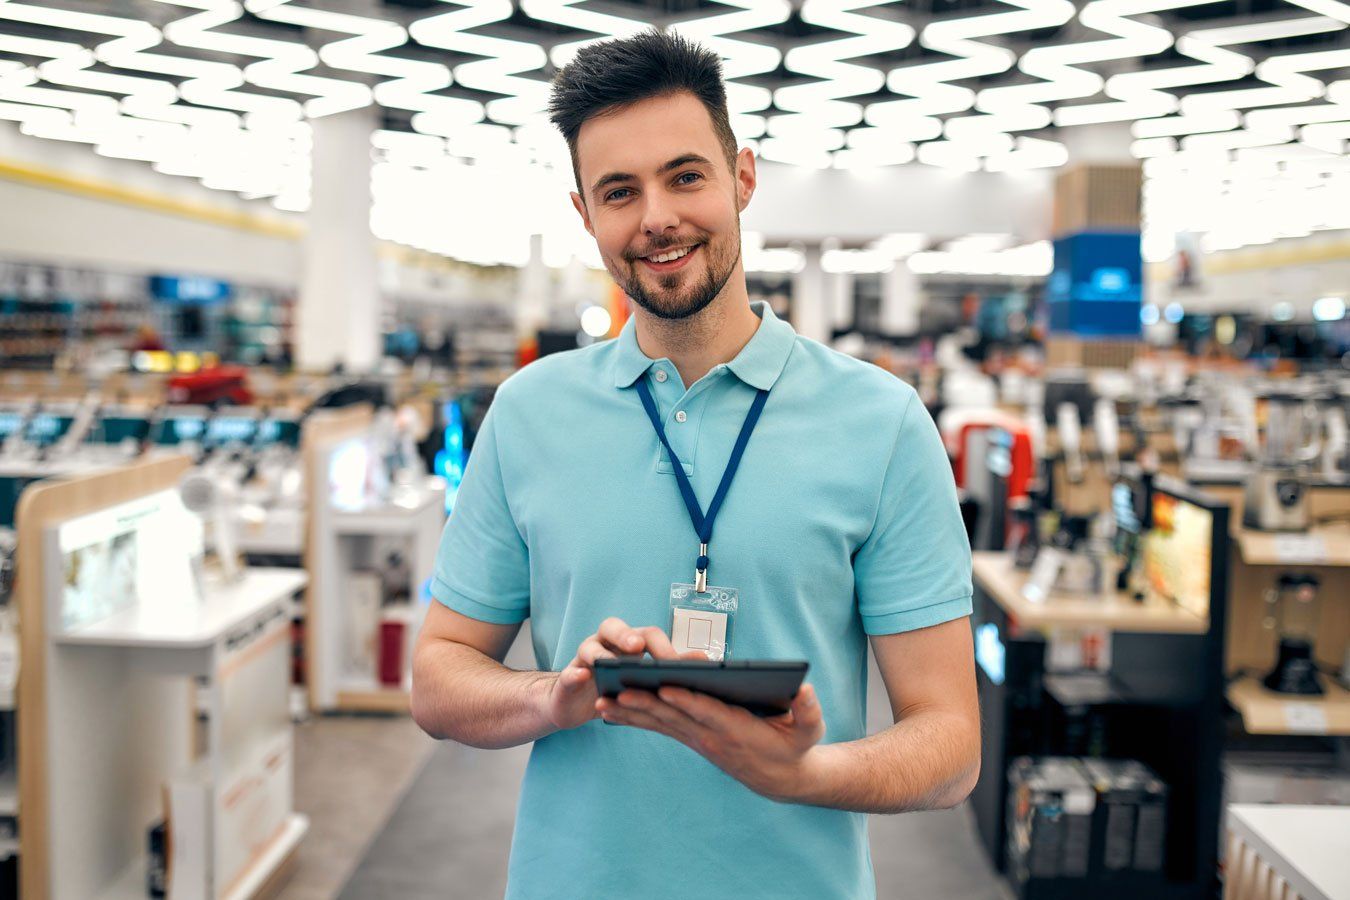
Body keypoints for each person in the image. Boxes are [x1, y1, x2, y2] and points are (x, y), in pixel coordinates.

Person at [412, 30, 979, 900]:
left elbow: (951, 747)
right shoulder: (529, 413)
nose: (656, 219)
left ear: (742, 177)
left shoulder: (883, 423)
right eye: (619, 192)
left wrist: (801, 775)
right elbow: (438, 675)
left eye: (685, 176)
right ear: (585, 214)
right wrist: (551, 697)